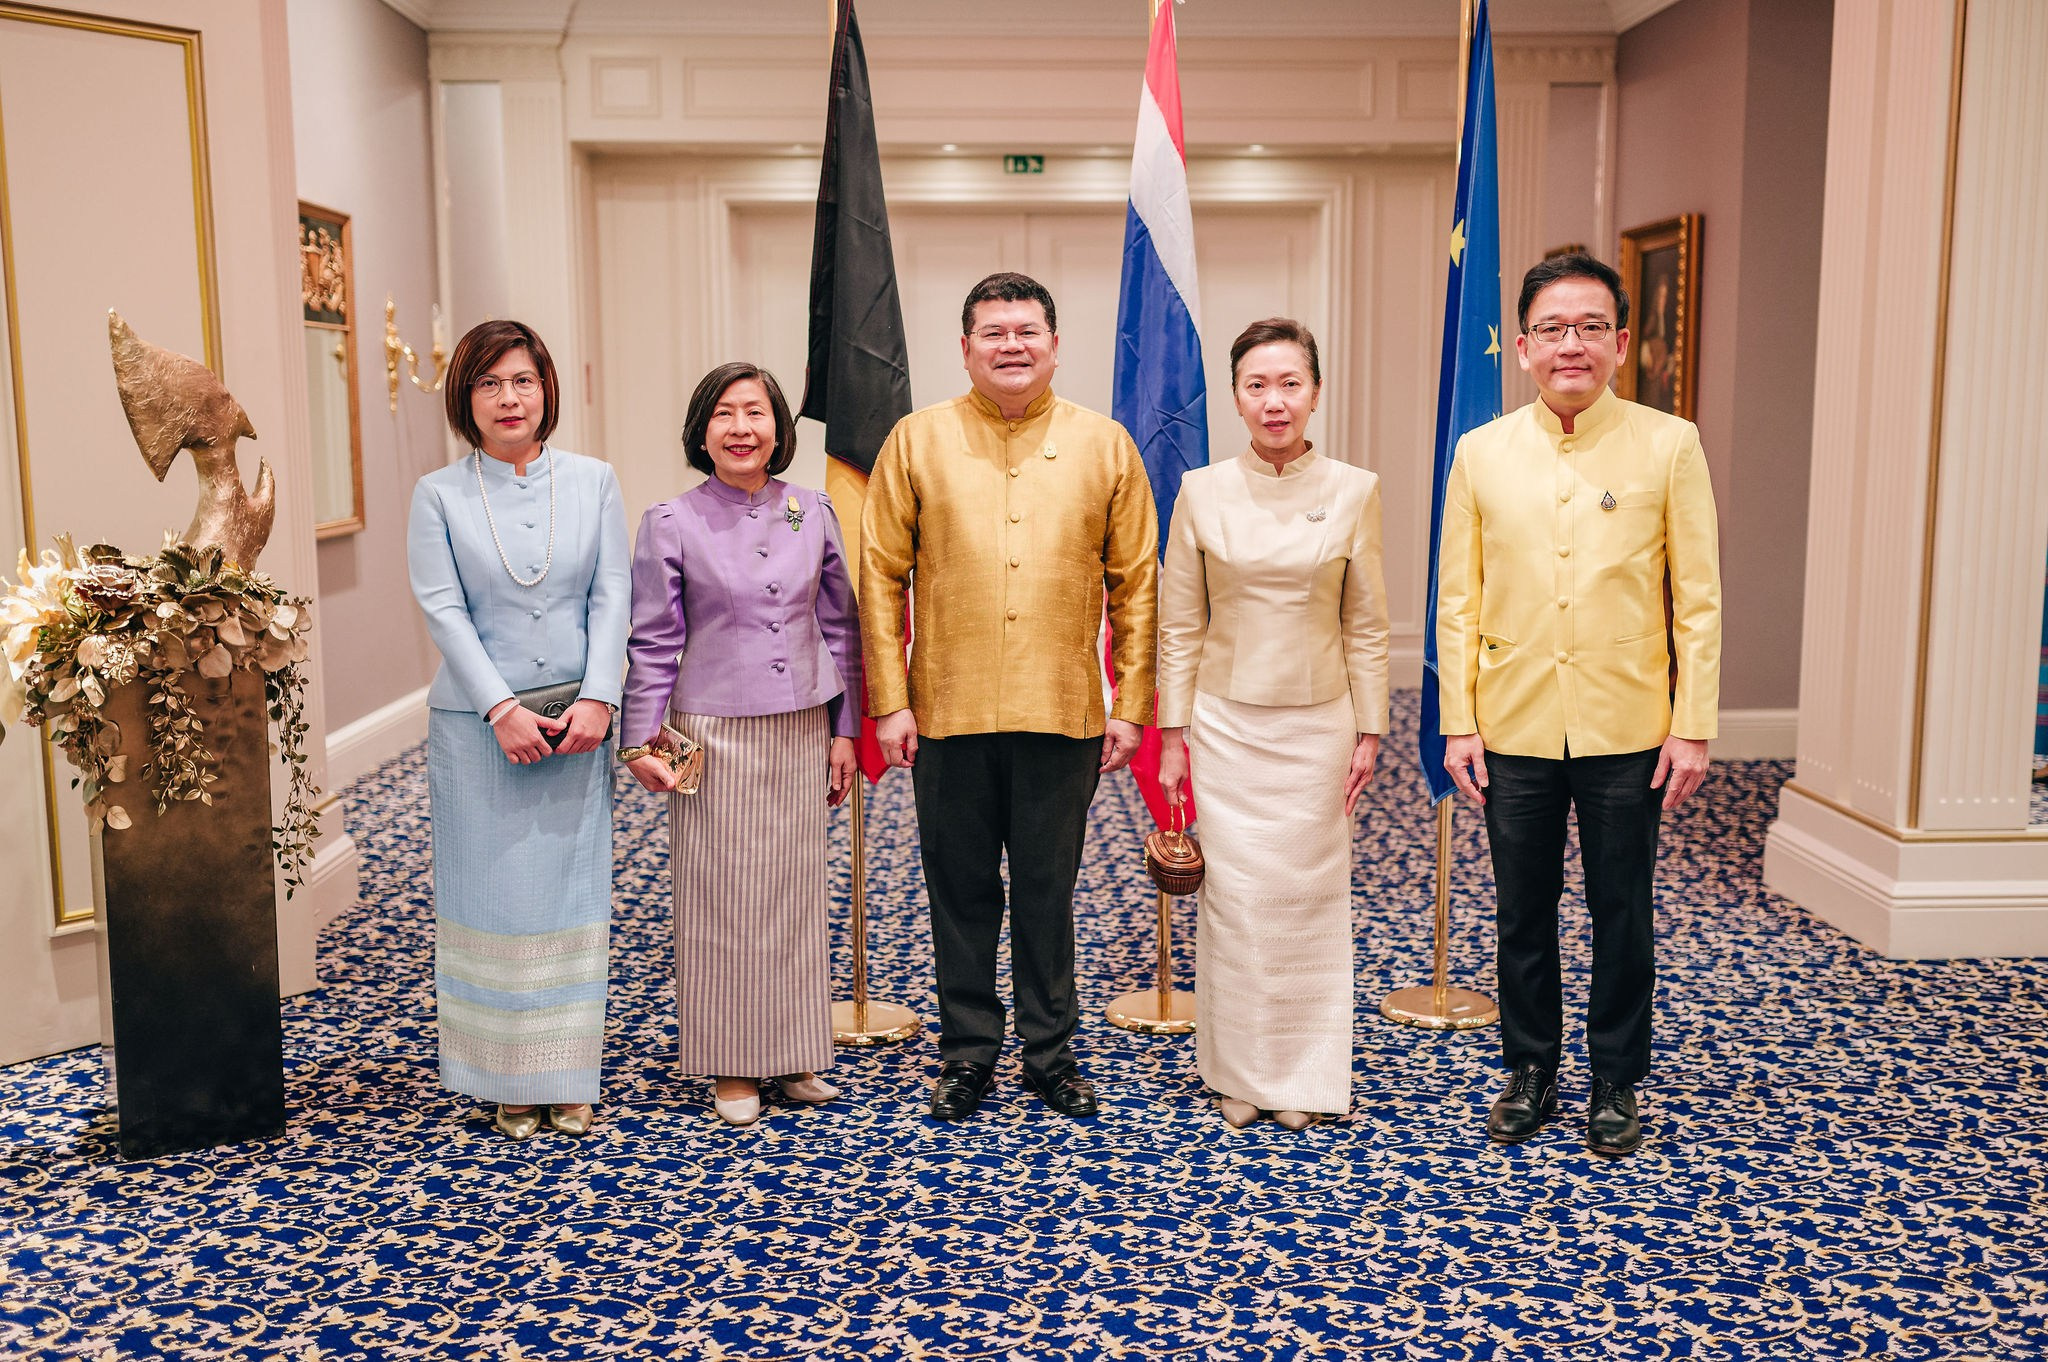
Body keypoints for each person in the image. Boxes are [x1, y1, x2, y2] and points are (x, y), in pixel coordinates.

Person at [1437, 252, 1722, 1157]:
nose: (1573, 344)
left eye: (1592, 327)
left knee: (1621, 910)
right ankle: (1530, 1066)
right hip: (1513, 721)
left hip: (1628, 725)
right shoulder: (1481, 453)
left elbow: (1698, 600)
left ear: (1621, 343)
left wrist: (1693, 725)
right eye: (1553, 328)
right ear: (1523, 346)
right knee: (1522, 910)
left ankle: (1615, 1077)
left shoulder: (1669, 444)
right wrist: (1458, 721)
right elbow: (1458, 599)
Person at [862, 271, 1159, 1122]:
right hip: (945, 710)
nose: (1011, 345)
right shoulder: (916, 441)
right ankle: (966, 1053)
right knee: (958, 894)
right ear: (965, 349)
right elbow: (878, 577)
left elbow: (1138, 584)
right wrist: (889, 700)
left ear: (1055, 345)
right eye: (993, 333)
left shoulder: (1106, 445)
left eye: (1027, 331)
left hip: (1062, 710)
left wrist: (1132, 703)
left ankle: (1051, 1054)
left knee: (1046, 894)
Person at [1154, 318, 1390, 1131]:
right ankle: (1242, 1073)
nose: (1275, 401)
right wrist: (1173, 735)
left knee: (1308, 902)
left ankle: (1305, 1077)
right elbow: (1179, 624)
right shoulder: (1201, 491)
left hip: (1320, 726)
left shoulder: (1355, 489)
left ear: (1315, 392)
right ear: (1236, 397)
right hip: (1225, 726)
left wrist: (1370, 729)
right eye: (1257, 385)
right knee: (1239, 904)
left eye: (1290, 383)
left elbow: (1367, 624)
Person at [619, 362, 861, 1128]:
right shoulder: (671, 520)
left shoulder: (810, 510)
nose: (741, 428)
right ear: (702, 432)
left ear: (778, 428)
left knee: (794, 893)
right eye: (724, 413)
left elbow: (842, 627)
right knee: (721, 895)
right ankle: (731, 1059)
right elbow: (653, 640)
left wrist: (847, 729)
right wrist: (639, 739)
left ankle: (792, 1053)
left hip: (800, 724)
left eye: (755, 412)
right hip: (709, 729)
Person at [406, 319, 629, 1141]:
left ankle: (567, 1077)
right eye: (490, 383)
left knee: (572, 897)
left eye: (523, 380)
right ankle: (506, 1076)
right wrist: (501, 709)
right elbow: (443, 609)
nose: (509, 397)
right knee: (493, 901)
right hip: (478, 731)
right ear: (467, 397)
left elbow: (613, 593)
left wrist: (600, 698)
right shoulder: (439, 494)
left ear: (546, 390)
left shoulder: (594, 481)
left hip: (577, 723)